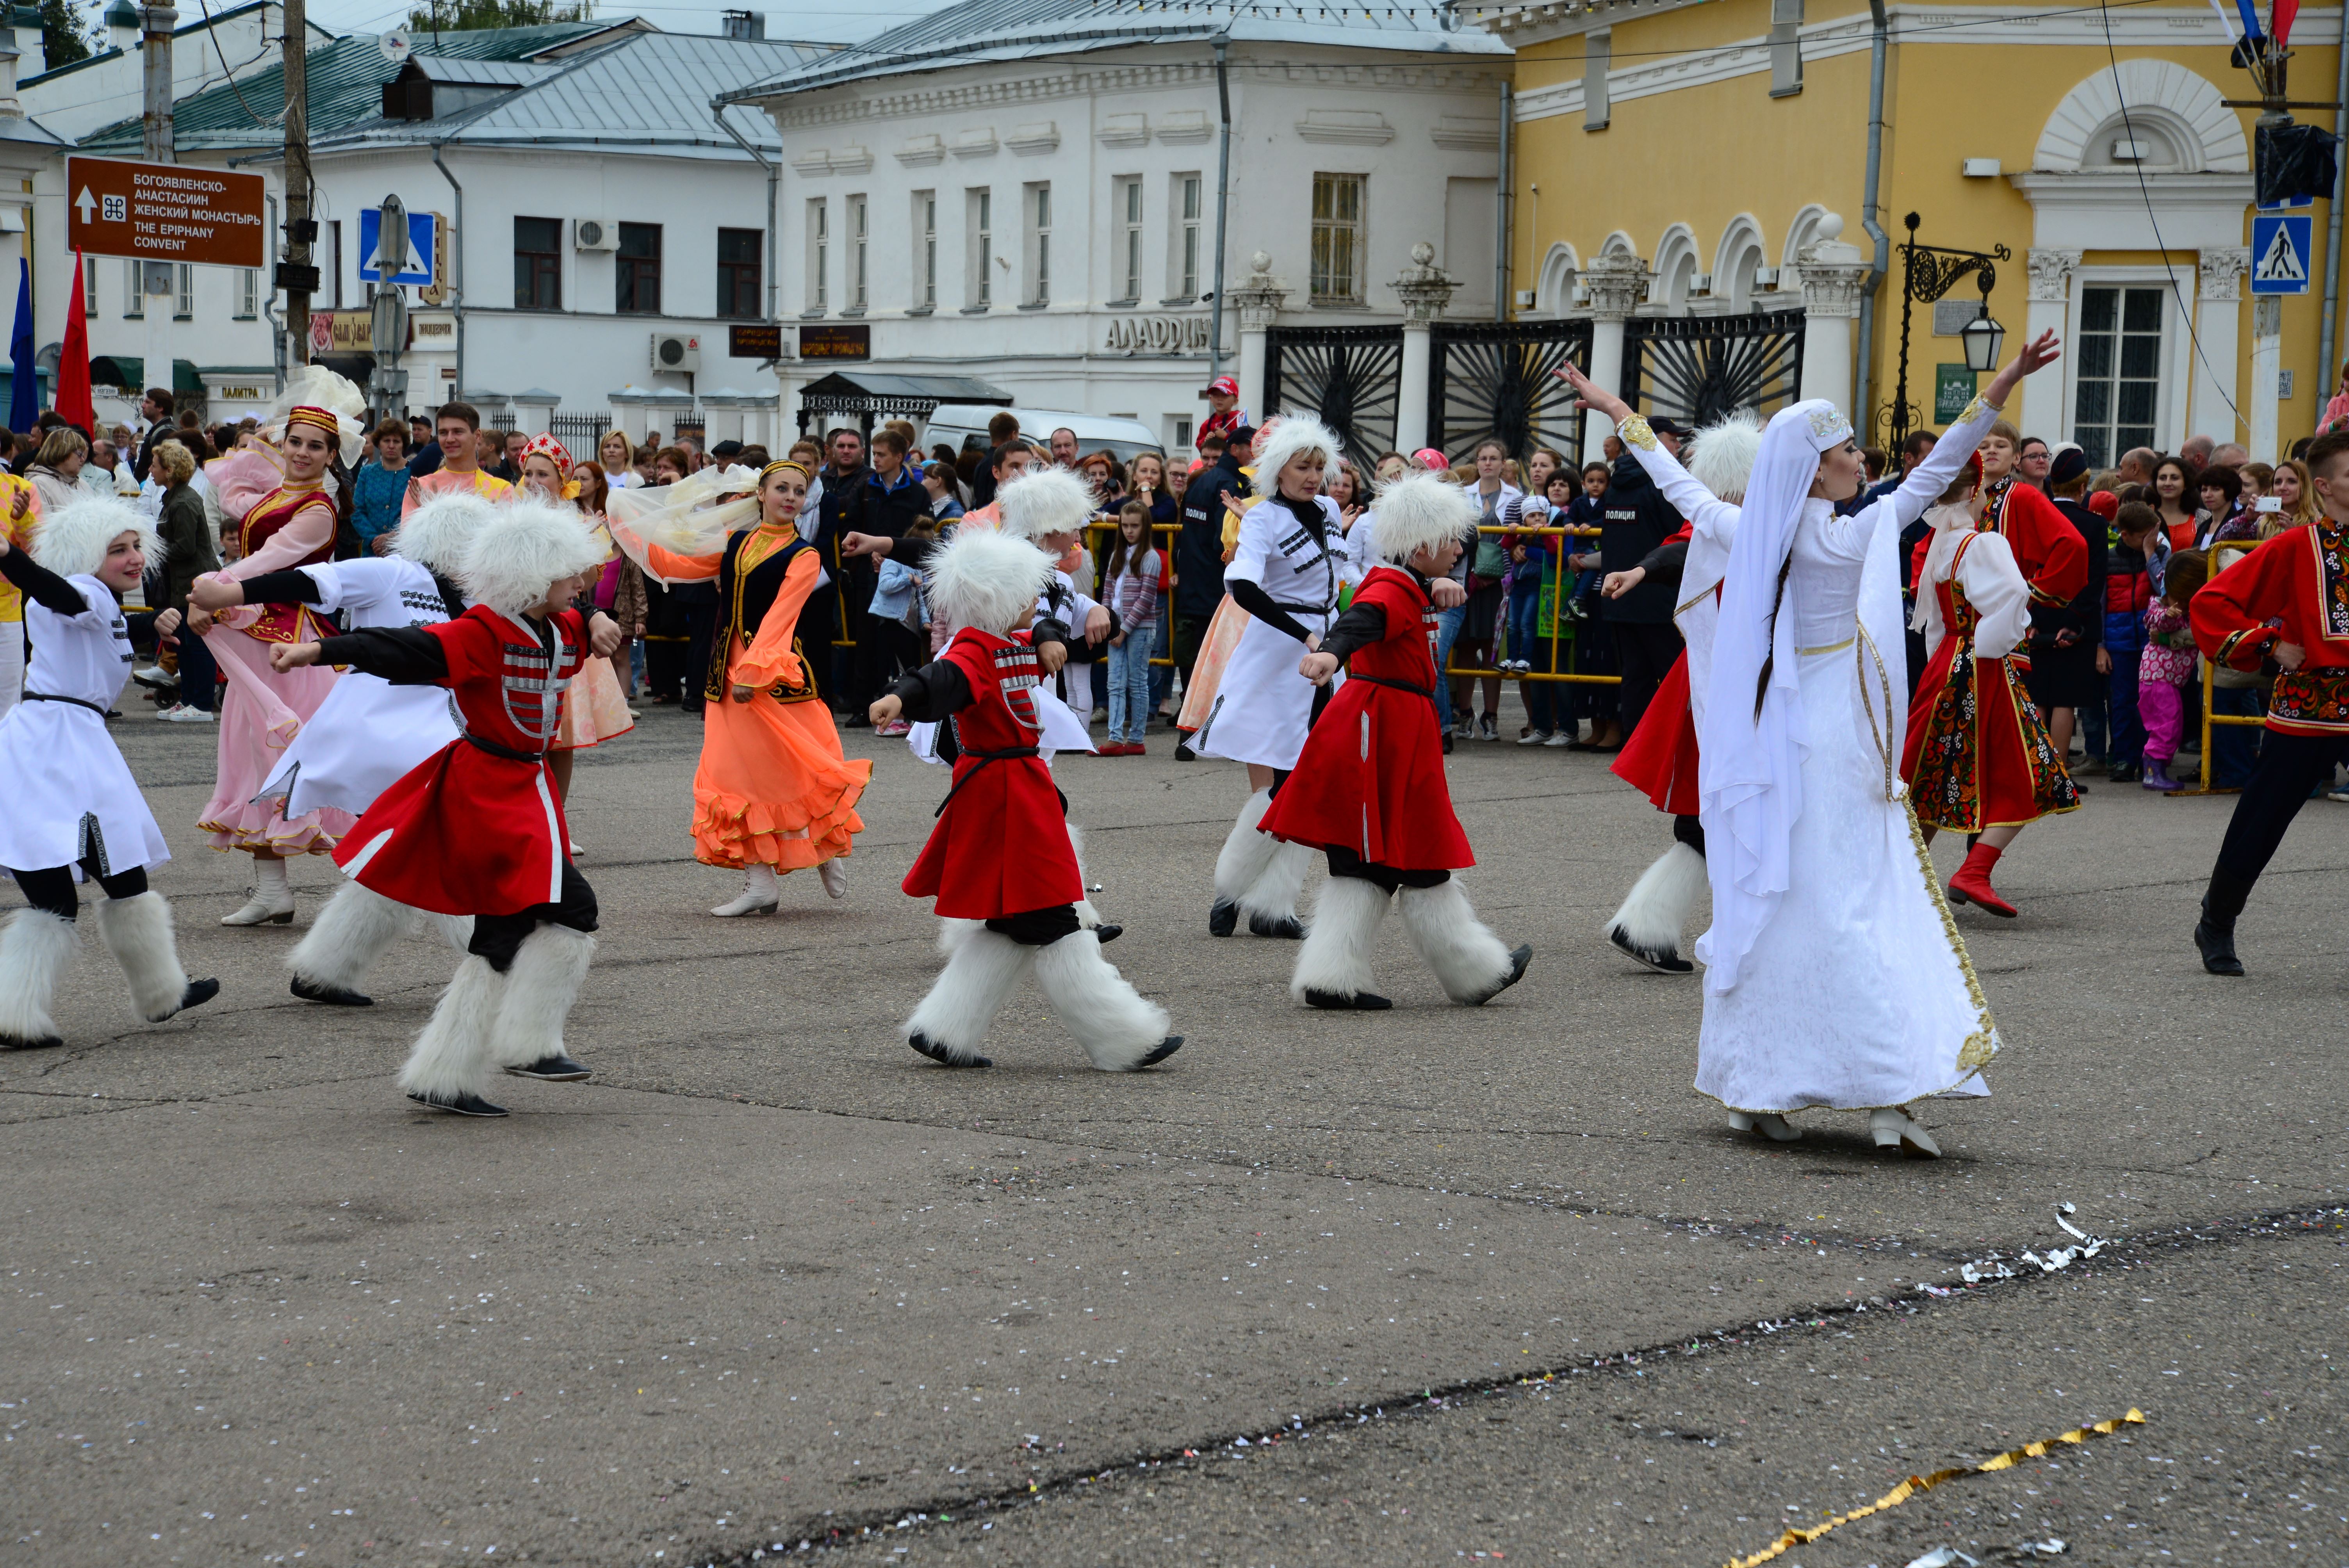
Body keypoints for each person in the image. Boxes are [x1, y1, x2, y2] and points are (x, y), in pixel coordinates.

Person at [1561, 328, 2061, 1157]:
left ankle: (1756, 1083)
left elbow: (1676, 482)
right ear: (1813, 467)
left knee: (1781, 901)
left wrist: (1615, 409)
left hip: (1779, 728)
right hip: (1830, 730)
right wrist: (2001, 379)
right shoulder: (1845, 534)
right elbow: (1937, 471)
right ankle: (1881, 1086)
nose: (1859, 461)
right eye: (1843, 453)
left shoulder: (1751, 526)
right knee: (1849, 900)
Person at [274, 495, 619, 1117]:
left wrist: (594, 619)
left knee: (510, 927)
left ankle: (456, 1069)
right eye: (571, 571)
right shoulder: (482, 631)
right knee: (565, 913)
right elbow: (405, 645)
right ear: (535, 577)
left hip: (522, 792)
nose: (582, 580)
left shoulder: (556, 623)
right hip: (487, 794)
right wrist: (321, 652)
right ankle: (523, 1046)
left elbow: (581, 616)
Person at [870, 527, 1180, 1073]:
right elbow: (937, 680)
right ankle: (1123, 1037)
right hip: (1003, 796)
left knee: (1015, 924)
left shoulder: (1011, 642)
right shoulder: (971, 651)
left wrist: (1046, 634)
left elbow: (1052, 620)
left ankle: (944, 1030)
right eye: (1023, 596)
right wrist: (900, 696)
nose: (1035, 602)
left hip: (1022, 790)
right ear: (995, 603)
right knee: (1055, 920)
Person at [186, 490, 486, 1008]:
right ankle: (498, 963)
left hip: (431, 737)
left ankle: (325, 969)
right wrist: (227, 593)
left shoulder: (465, 604)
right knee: (446, 846)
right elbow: (308, 581)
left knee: (400, 856)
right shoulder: (395, 574)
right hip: (381, 732)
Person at [1264, 472, 1532, 1010]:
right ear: (1425, 544)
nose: (1460, 548)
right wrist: (1332, 654)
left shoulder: (1406, 583)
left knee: (1386, 857)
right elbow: (1362, 621)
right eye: (1453, 540)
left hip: (1393, 728)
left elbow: (1392, 608)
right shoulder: (1390, 588)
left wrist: (1436, 588)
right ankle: (1470, 971)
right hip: (1379, 730)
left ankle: (1341, 976)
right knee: (1395, 855)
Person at [0, 494, 219, 1050]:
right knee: (62, 895)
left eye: (136, 545)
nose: (133, 557)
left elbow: (110, 630)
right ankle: (13, 1015)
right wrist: (10, 556)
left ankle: (161, 993)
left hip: (71, 745)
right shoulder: (81, 593)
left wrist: (156, 625)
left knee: (120, 876)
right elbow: (60, 595)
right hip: (55, 749)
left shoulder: (98, 601)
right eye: (116, 549)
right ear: (83, 555)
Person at [612, 459, 871, 917]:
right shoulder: (736, 543)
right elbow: (683, 563)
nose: (790, 497)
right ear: (761, 494)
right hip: (725, 674)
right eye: (782, 489)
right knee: (734, 775)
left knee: (798, 768)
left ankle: (823, 849)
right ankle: (761, 882)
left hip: (773, 675)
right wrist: (630, 533)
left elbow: (781, 618)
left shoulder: (804, 556)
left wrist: (753, 672)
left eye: (798, 490)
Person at [1193, 416, 1376, 940]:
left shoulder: (1326, 511)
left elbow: (1343, 577)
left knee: (1310, 780)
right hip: (1279, 654)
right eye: (1304, 466)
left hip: (1325, 655)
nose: (1315, 476)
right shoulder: (1262, 518)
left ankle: (1272, 906)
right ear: (1279, 469)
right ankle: (1233, 887)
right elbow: (1244, 586)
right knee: (1283, 781)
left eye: (1321, 467)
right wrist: (1304, 634)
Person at [1593, 410, 1763, 972]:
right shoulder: (1724, 524)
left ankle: (1649, 923)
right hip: (1726, 687)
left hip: (1738, 683)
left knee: (1716, 817)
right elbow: (1677, 553)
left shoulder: (1762, 520)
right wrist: (1641, 572)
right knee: (1725, 814)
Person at [195, 396, 365, 925]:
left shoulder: (319, 511)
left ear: (332, 455)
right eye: (295, 441)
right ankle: (272, 892)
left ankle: (386, 891)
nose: (302, 452)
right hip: (252, 633)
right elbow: (234, 503)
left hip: (287, 647)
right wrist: (216, 598)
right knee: (255, 755)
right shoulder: (274, 493)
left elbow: (266, 565)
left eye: (316, 446)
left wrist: (211, 593)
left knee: (299, 761)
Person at [2189, 427, 2349, 975]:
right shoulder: (2295, 545)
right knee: (2263, 818)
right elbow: (2212, 601)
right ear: (2324, 486)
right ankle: (2217, 921)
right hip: (2310, 705)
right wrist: (2269, 644)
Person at [1902, 453, 2081, 917]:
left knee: (1932, 768)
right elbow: (2013, 596)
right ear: (1970, 492)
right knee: (2030, 769)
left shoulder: (1939, 545)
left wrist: (1943, 662)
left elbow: (1934, 623)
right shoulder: (1982, 544)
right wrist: (1995, 643)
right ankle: (1973, 869)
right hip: (1981, 665)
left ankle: (1902, 873)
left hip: (1945, 663)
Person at [514, 437, 634, 833]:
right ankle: (524, 817)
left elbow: (583, 588)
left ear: (561, 479)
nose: (533, 480)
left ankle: (555, 821)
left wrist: (586, 546)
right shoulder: (509, 516)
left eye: (543, 474)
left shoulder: (580, 523)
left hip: (563, 636)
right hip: (519, 632)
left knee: (561, 737)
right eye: (528, 472)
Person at [1598, 414, 1695, 745]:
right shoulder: (1662, 485)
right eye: (1672, 439)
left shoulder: (1616, 483)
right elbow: (1680, 535)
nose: (1679, 447)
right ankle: (1674, 745)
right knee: (1673, 675)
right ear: (1651, 441)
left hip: (1620, 597)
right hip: (1659, 597)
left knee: (1635, 675)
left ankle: (1636, 745)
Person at [2029, 446, 2108, 766]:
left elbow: (2026, 570)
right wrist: (2076, 619)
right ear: (2082, 487)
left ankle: (2033, 769)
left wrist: (2028, 617)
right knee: (2065, 701)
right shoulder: (2094, 524)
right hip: (2076, 618)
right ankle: (2057, 775)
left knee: (2037, 696)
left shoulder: (2036, 516)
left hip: (2037, 615)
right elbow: (2094, 579)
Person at [1171, 427, 1246, 754]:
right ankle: (1211, 734)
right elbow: (1223, 543)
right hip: (1217, 588)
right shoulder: (1230, 485)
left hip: (1192, 585)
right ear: (1240, 449)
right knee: (1222, 663)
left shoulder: (1201, 480)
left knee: (1193, 662)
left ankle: (1188, 736)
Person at [1450, 440, 1520, 741]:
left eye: (1494, 458)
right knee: (1466, 647)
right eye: (1483, 458)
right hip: (1468, 579)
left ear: (1503, 463)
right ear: (1476, 463)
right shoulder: (1461, 496)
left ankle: (1491, 715)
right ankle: (1465, 713)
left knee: (1491, 649)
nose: (1488, 463)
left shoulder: (1516, 497)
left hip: (1500, 582)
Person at [146, 441, 221, 724]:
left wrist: (152, 551)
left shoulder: (184, 502)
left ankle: (201, 704)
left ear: (169, 470)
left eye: (155, 466)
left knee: (197, 644)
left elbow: (186, 548)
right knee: (185, 646)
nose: (151, 470)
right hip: (183, 583)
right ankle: (188, 700)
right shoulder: (174, 498)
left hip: (196, 583)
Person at [2099, 501, 2164, 783]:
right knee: (2123, 703)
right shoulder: (2109, 560)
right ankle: (2125, 758)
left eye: (2154, 535)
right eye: (2145, 537)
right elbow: (2099, 606)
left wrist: (2150, 553)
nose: (2153, 540)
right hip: (2119, 644)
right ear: (2125, 535)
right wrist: (2100, 645)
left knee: (2152, 703)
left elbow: (2165, 589)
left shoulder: (2159, 554)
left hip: (2153, 644)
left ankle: (2149, 757)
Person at [2136, 549, 2208, 792]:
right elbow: (2155, 622)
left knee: (2173, 723)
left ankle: (2158, 769)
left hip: (2169, 680)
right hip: (2158, 678)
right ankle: (2152, 772)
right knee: (2165, 724)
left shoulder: (2189, 610)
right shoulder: (2158, 606)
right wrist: (2168, 615)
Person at [1100, 499, 1161, 755]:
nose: (1129, 531)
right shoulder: (1117, 555)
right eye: (1125, 526)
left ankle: (1136, 739)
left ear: (1144, 527)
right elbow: (1107, 592)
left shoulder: (1150, 557)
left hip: (1140, 629)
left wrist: (1123, 629)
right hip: (1118, 628)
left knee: (1137, 683)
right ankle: (1114, 737)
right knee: (1115, 682)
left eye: (1135, 526)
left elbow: (1146, 598)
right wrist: (1108, 622)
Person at [404, 403, 512, 519]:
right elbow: (409, 535)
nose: (450, 439)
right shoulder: (421, 487)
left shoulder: (501, 489)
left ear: (477, 436)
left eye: (458, 432)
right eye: (443, 433)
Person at [0, 454, 37, 718]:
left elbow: (39, 552)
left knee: (7, 708)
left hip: (7, 615)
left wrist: (23, 519)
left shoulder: (21, 488)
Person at [352, 419, 410, 556]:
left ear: (403, 445)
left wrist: (392, 538)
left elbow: (416, 511)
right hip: (372, 550)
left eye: (396, 442)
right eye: (386, 441)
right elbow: (357, 511)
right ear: (379, 444)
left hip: (403, 550)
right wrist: (374, 539)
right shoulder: (367, 473)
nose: (391, 446)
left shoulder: (414, 471)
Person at [25, 427, 89, 516]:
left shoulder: (83, 485)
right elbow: (42, 526)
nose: (83, 459)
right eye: (80, 454)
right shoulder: (39, 483)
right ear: (63, 451)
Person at [2152, 455, 2199, 551]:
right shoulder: (2147, 515)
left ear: (2186, 484)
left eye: (2174, 478)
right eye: (2163, 478)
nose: (2168, 483)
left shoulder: (2201, 517)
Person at [1199, 374, 1248, 445]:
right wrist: (1206, 440)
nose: (1220, 399)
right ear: (1211, 399)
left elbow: (1246, 443)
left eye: (1225, 396)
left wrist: (1227, 437)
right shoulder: (1206, 424)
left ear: (1235, 401)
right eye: (1216, 395)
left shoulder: (1239, 420)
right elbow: (1199, 444)